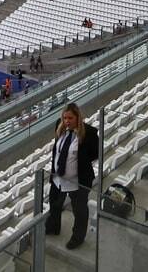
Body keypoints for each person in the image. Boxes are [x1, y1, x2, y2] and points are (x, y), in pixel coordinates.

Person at [47, 102, 98, 249]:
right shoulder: (59, 126)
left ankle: (78, 237)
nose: (66, 121)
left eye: (70, 118)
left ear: (77, 117)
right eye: (64, 118)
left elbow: (94, 154)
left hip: (77, 182)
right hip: (58, 178)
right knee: (54, 204)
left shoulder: (88, 133)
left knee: (79, 211)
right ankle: (53, 227)